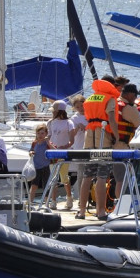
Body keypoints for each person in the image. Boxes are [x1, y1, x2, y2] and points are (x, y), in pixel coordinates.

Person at [77, 75, 120, 220]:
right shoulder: (110, 99)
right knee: (102, 176)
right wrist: (117, 137)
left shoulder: (90, 98)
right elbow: (112, 119)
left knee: (87, 176)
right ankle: (100, 211)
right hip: (103, 139)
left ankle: (81, 211)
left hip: (89, 139)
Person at [47, 100, 76, 208]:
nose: (52, 113)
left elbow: (71, 140)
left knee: (64, 176)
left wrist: (64, 147)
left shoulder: (69, 123)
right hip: (53, 152)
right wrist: (49, 144)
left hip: (64, 153)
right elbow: (49, 137)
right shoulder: (50, 122)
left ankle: (69, 198)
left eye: (54, 111)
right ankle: (53, 200)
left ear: (59, 111)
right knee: (53, 176)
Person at [64, 94, 88, 210]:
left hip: (90, 146)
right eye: (78, 107)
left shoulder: (90, 115)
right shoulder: (74, 118)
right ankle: (81, 199)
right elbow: (71, 135)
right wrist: (78, 127)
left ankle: (90, 197)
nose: (80, 108)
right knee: (81, 174)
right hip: (79, 147)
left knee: (91, 174)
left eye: (82, 106)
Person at [28, 124, 52, 205]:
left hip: (45, 167)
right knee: (34, 185)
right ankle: (30, 202)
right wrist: (31, 153)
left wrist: (48, 142)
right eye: (38, 133)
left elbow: (54, 150)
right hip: (36, 167)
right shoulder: (34, 143)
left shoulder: (47, 143)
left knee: (46, 186)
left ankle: (46, 203)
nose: (40, 135)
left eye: (42, 133)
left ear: (46, 134)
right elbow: (30, 151)